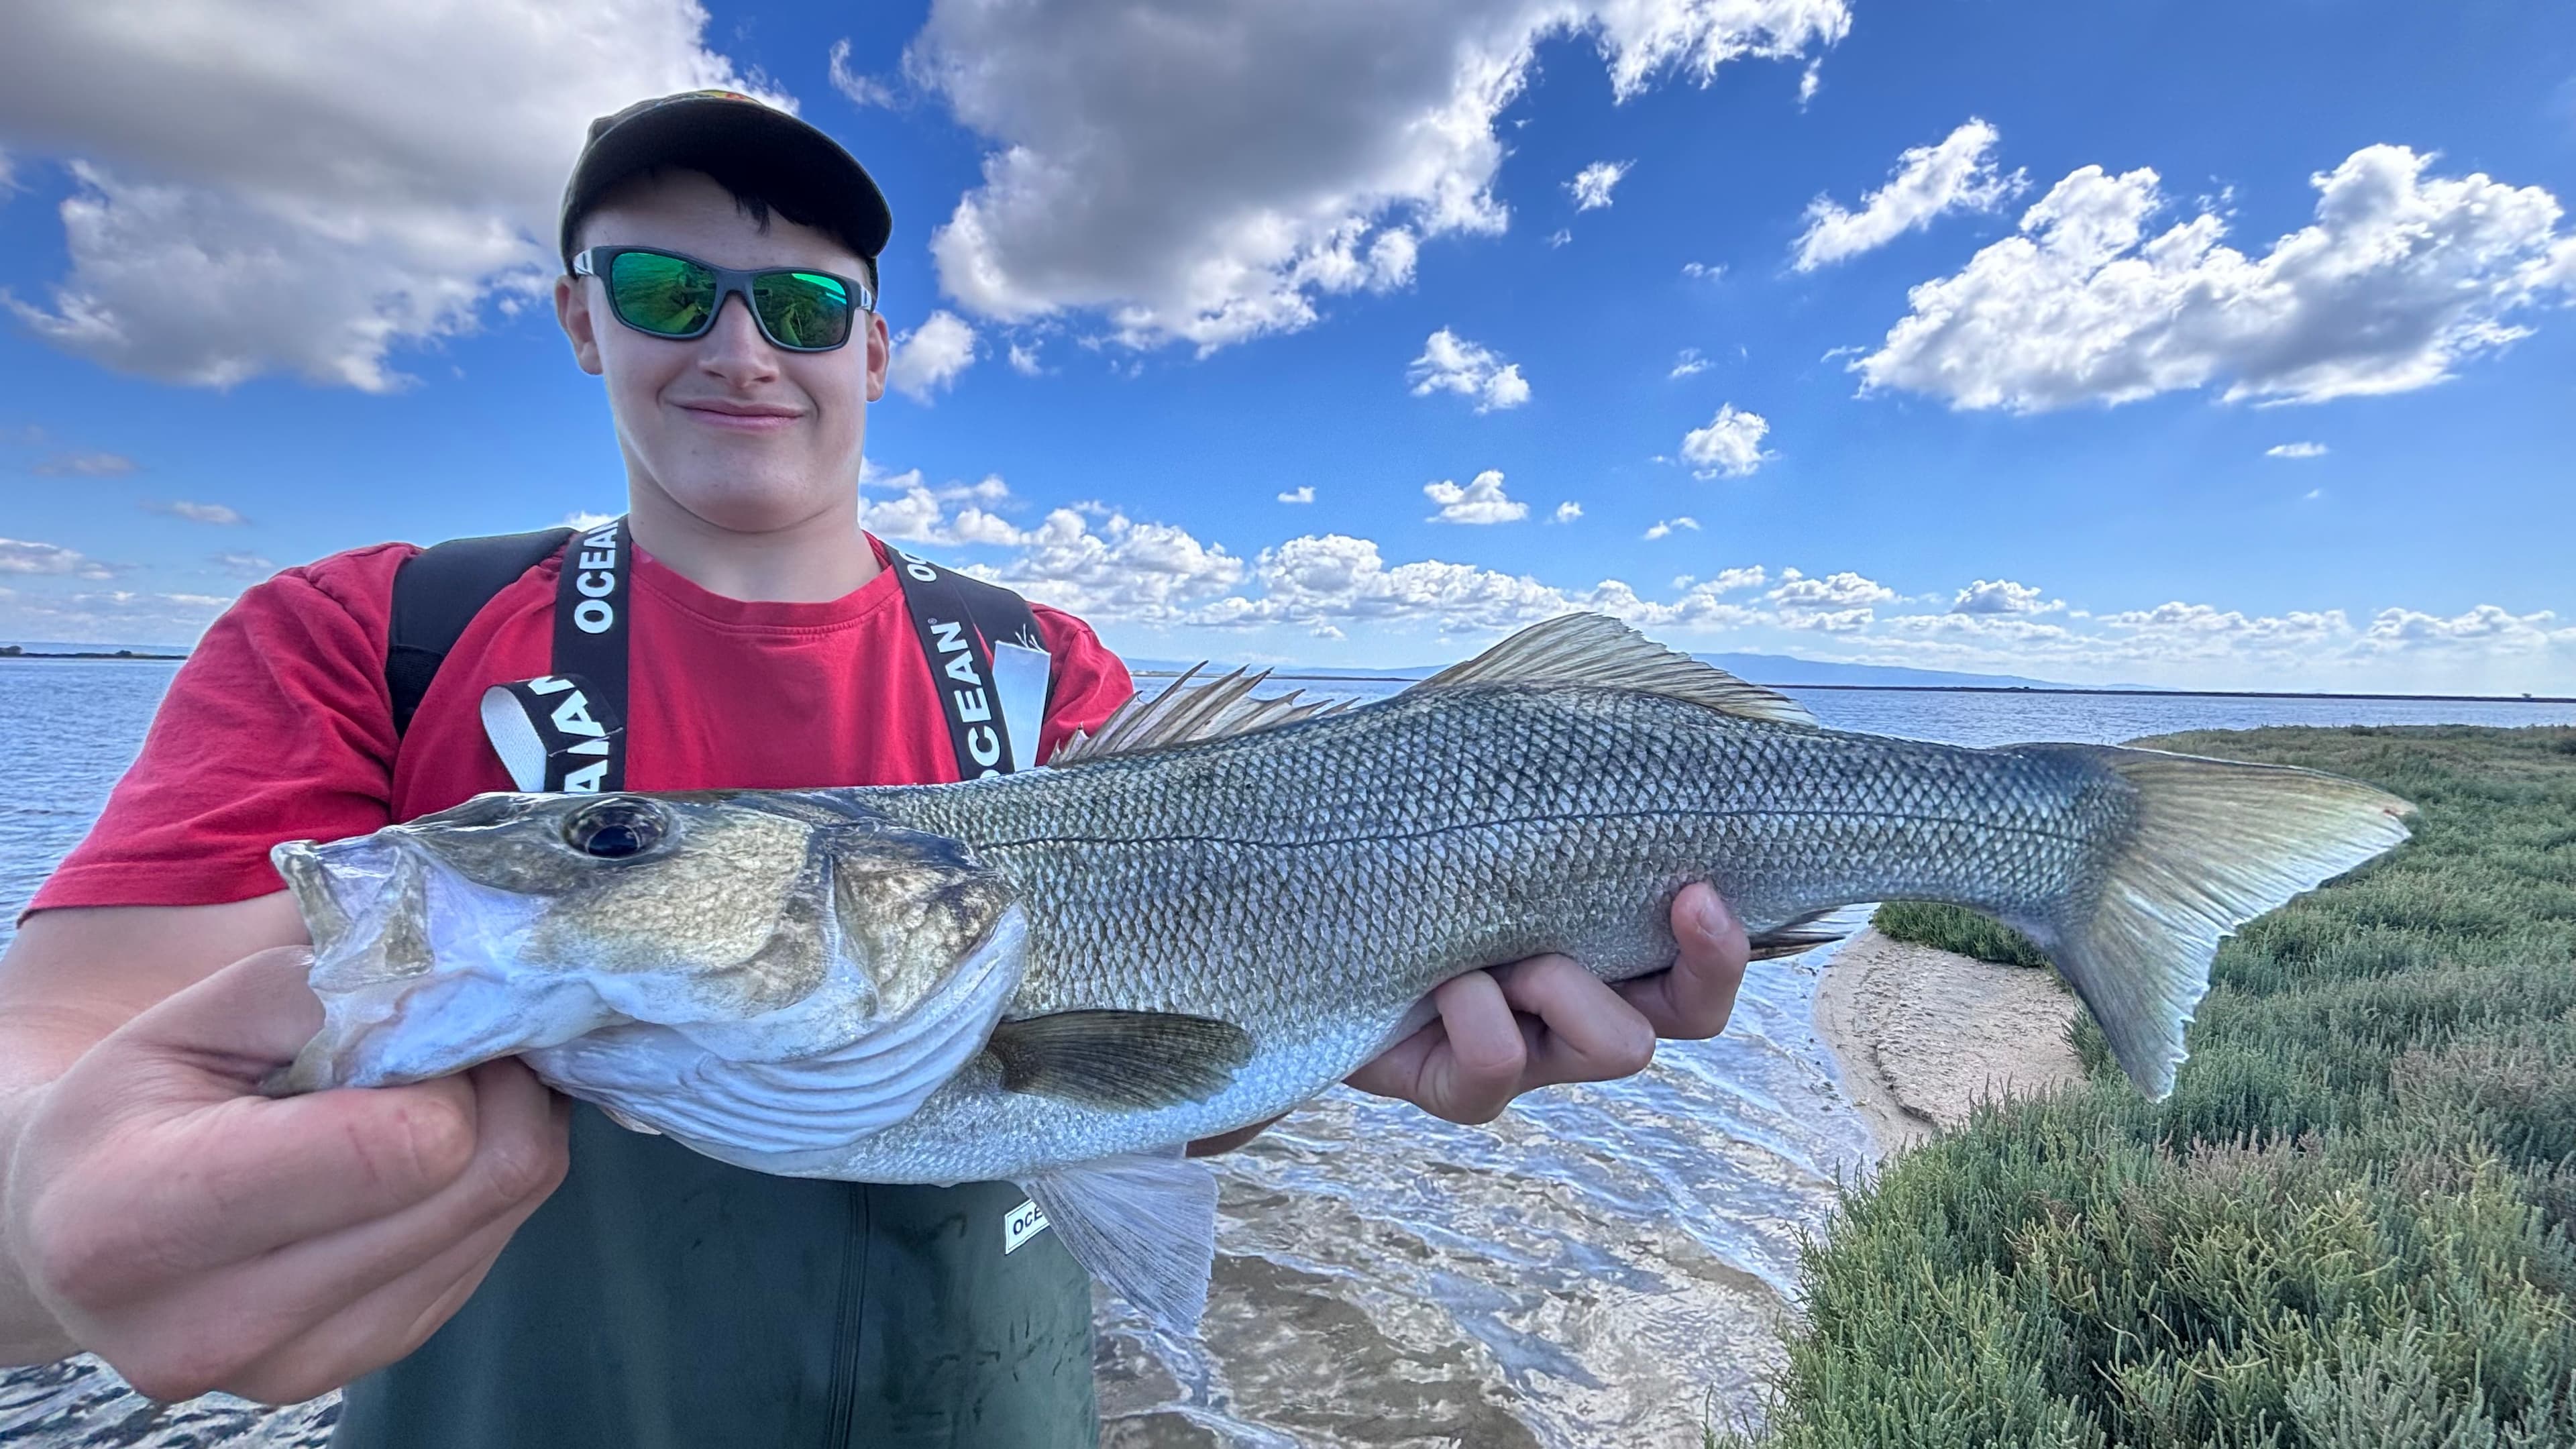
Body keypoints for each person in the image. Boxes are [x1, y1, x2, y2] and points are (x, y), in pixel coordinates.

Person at [0, 91, 1752, 1445]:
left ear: (878, 346)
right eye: (669, 288)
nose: (741, 347)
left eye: (805, 303)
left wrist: (1388, 1030)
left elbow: (1171, 1075)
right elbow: (58, 1063)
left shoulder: (1050, 675)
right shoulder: (364, 636)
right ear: (577, 322)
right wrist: (48, 1232)